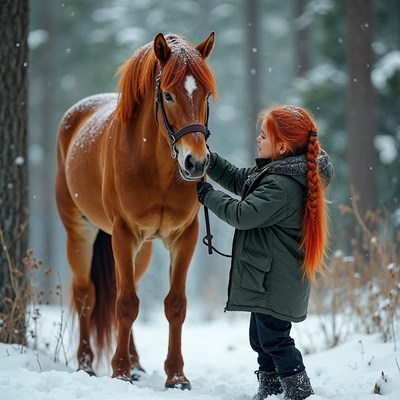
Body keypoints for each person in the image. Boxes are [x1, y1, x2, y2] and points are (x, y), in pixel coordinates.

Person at [196, 105, 333, 400]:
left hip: (275, 282)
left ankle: (300, 393)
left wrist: (208, 196)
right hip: (269, 278)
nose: (258, 140)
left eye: (264, 136)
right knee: (261, 339)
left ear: (282, 146)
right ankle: (270, 389)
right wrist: (208, 159)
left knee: (275, 340)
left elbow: (243, 214)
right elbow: (237, 178)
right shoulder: (277, 174)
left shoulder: (282, 186)